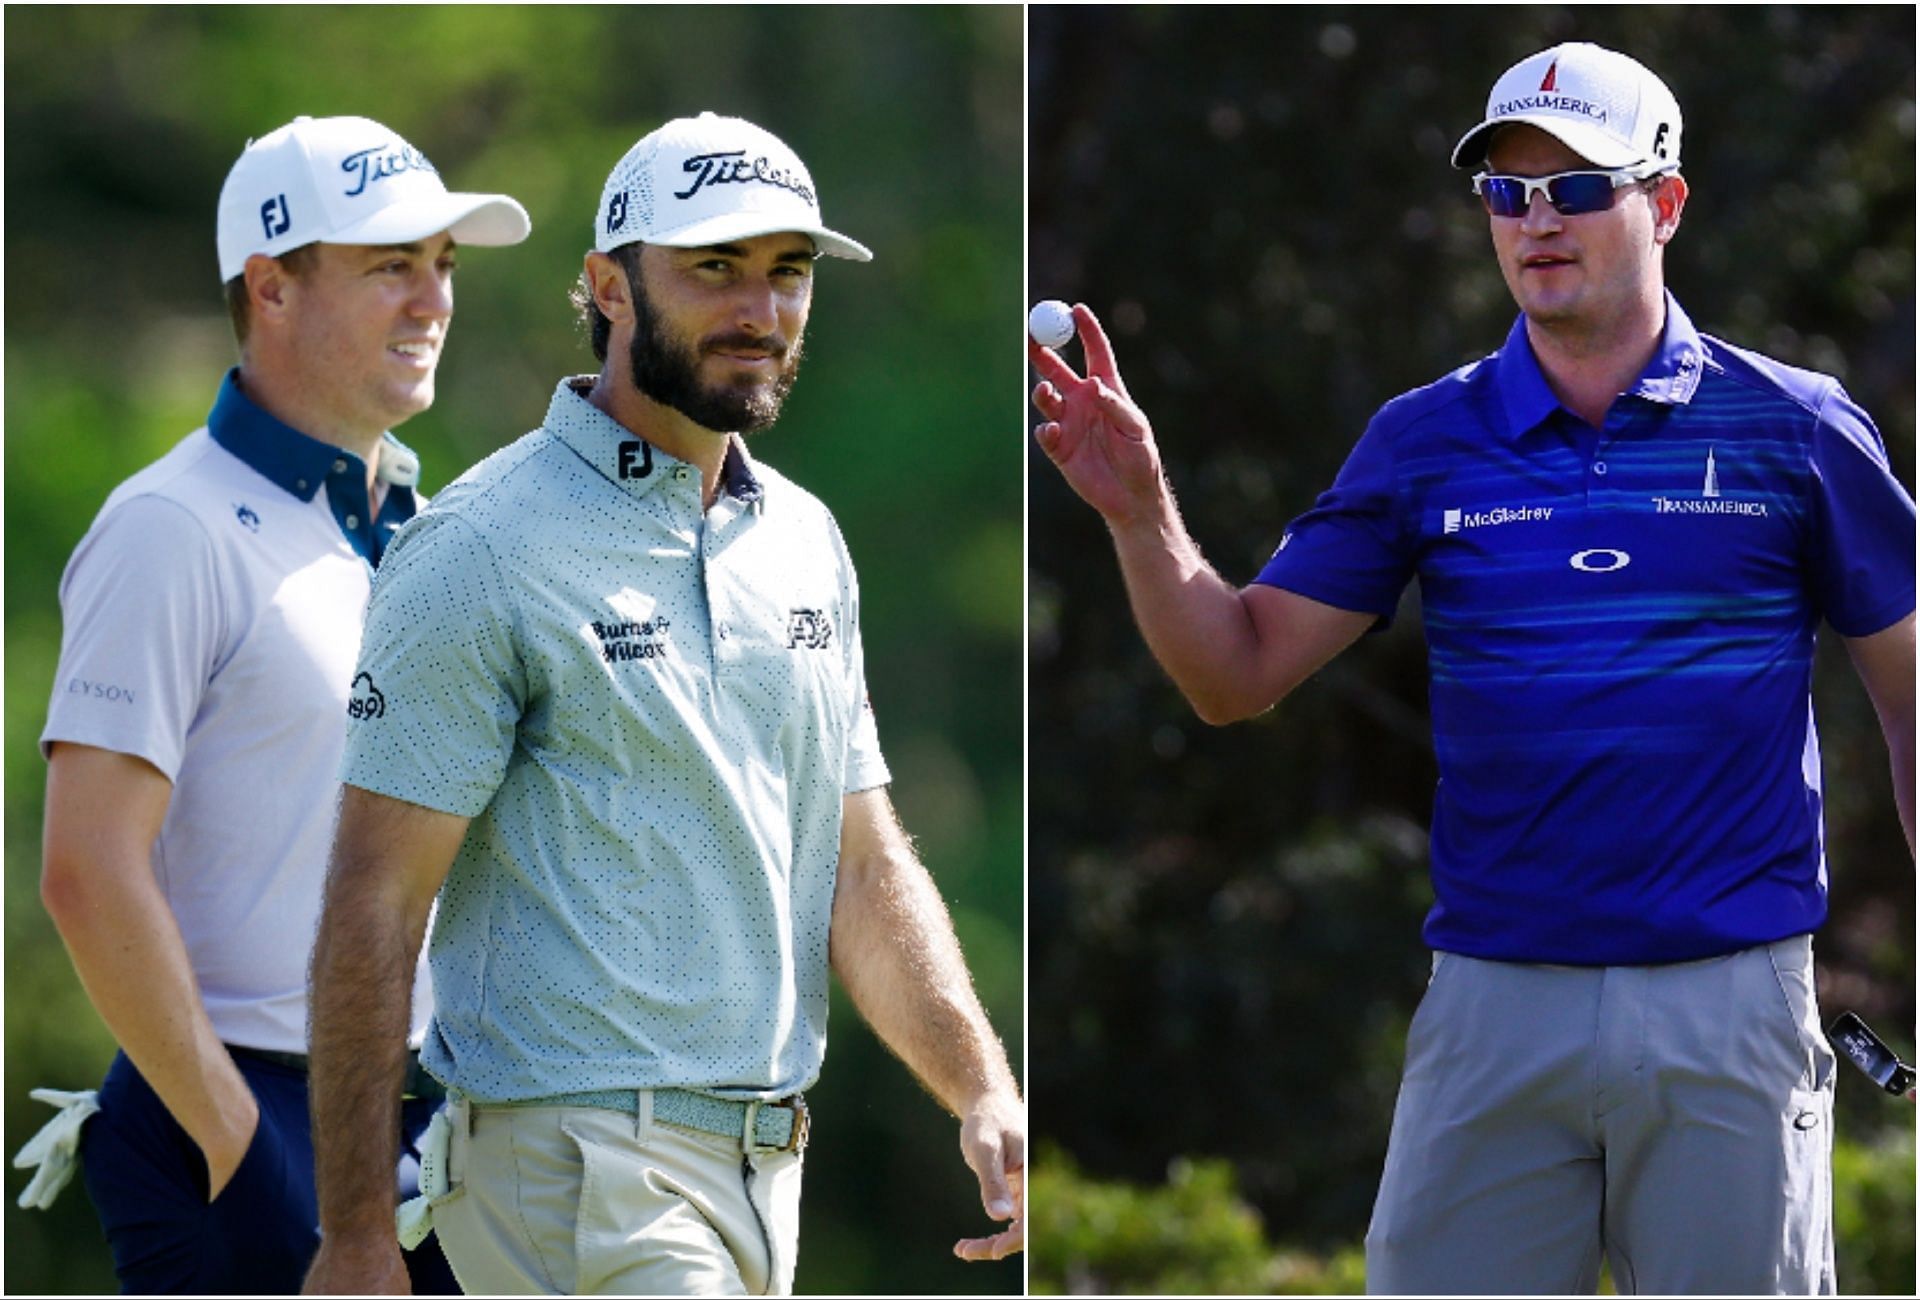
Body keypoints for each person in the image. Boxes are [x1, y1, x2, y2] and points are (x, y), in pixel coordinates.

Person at [1031, 42, 1913, 1297]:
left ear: (1664, 204)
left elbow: (1911, 696)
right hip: (1496, 1010)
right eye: (1508, 192)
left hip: (1731, 1008)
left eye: (1578, 188)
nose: (1536, 220)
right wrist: (1137, 511)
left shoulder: (1799, 429)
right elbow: (1236, 671)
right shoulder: (1424, 440)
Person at [299, 111, 1025, 1296]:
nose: (761, 309)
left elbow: (860, 861)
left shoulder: (802, 539)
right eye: (714, 269)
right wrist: (358, 1234)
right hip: (567, 1163)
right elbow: (374, 901)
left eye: (788, 273)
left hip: (760, 1171)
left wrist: (981, 1083)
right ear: (608, 287)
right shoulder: (477, 547)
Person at [27, 114, 529, 1293]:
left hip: (425, 1128)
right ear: (272, 288)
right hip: (245, 1116)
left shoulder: (420, 530)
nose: (433, 301)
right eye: (389, 265)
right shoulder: (169, 526)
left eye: (443, 265)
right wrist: (238, 1142)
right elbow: (89, 869)